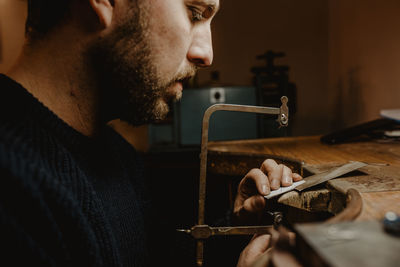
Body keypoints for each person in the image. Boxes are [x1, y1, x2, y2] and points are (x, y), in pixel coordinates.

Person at [0, 0, 302, 266]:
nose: (206, 54)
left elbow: (161, 259)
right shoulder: (13, 182)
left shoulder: (115, 154)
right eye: (194, 12)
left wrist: (235, 230)